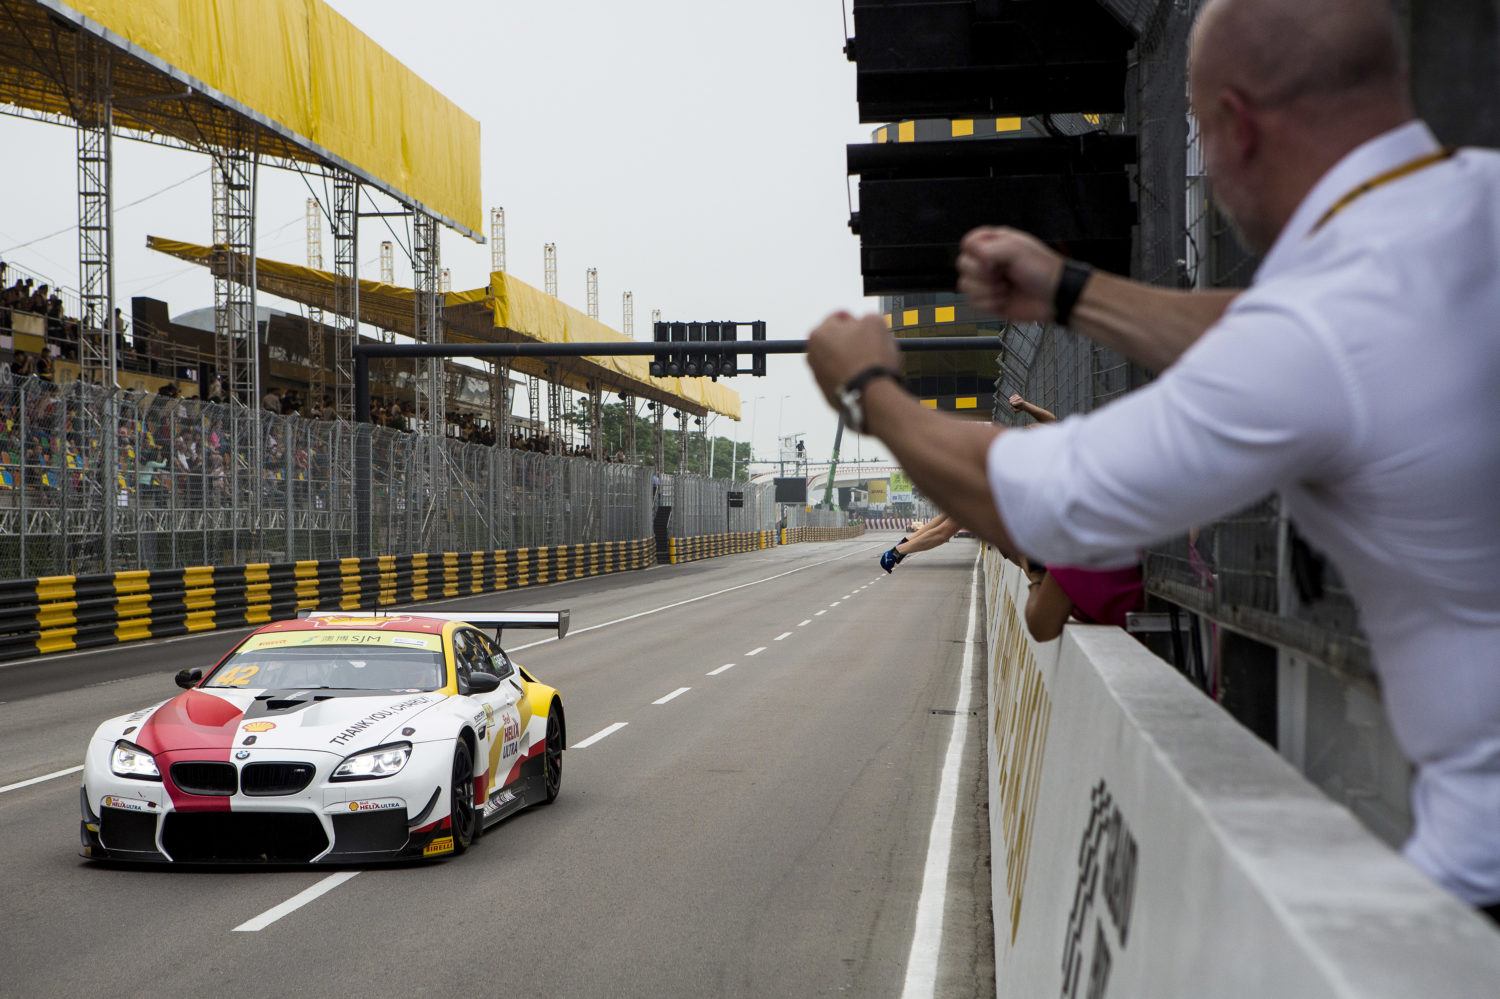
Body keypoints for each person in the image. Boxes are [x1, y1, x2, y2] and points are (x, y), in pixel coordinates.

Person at [807, 0, 1500, 919]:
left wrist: (871, 392)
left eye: (1201, 134)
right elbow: (1271, 332)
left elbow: (1036, 496)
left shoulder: (1329, 328)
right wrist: (1072, 292)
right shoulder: (1462, 208)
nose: (1206, 162)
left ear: (1238, 127)